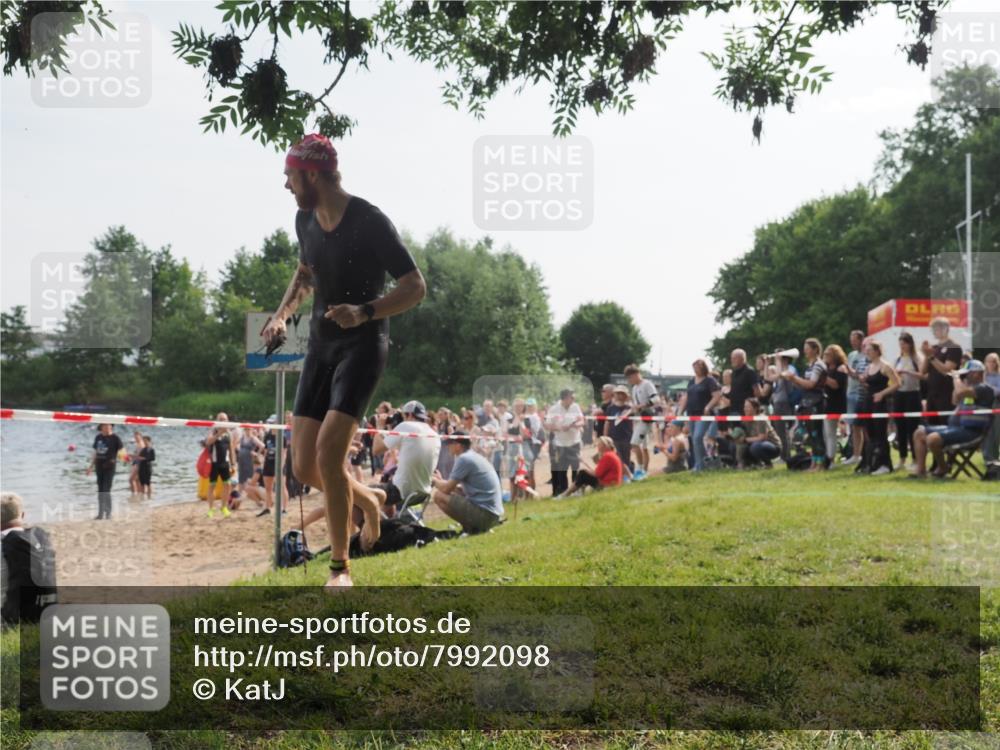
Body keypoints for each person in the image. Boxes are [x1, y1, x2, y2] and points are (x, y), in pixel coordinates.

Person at [261, 134, 426, 588]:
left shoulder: (370, 221)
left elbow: (415, 287)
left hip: (362, 346)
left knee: (330, 455)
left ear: (312, 174)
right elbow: (305, 273)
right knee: (303, 467)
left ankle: (339, 568)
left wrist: (366, 310)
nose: (287, 185)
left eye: (289, 176)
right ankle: (369, 503)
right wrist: (281, 317)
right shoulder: (304, 219)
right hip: (319, 348)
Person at [911, 359, 995, 478]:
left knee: (932, 439)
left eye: (966, 373)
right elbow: (955, 400)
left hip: (971, 432)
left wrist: (956, 377)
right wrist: (961, 382)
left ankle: (943, 467)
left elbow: (960, 392)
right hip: (956, 428)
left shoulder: (985, 389)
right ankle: (920, 471)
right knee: (919, 433)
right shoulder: (969, 388)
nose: (964, 376)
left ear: (977, 373)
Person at [372, 400, 440, 513]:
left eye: (403, 415)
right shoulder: (434, 434)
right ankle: (388, 527)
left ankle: (365, 530)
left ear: (409, 415)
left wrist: (379, 427)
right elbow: (403, 448)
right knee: (386, 502)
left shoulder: (406, 426)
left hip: (401, 492)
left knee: (361, 495)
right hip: (422, 493)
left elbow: (376, 450)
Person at [430, 431, 504, 534]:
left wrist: (433, 480)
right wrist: (441, 481)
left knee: (439, 496)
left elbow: (447, 489)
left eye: (450, 444)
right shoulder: (472, 456)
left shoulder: (463, 459)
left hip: (486, 515)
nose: (447, 447)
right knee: (451, 493)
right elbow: (456, 488)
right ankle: (475, 528)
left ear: (458, 446)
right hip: (493, 514)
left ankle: (471, 529)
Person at [1, 493, 57, 625]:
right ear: (22, 515)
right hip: (47, 614)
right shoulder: (41, 540)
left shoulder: (4, 544)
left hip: (12, 620)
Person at [781, 339, 827, 471]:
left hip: (816, 402)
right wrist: (793, 380)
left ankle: (820, 464)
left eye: (807, 348)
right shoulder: (810, 365)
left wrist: (794, 378)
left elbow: (811, 384)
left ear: (815, 349)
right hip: (807, 401)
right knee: (812, 436)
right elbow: (804, 385)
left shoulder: (818, 365)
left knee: (817, 434)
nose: (805, 351)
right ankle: (814, 463)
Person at [857, 340, 900, 475]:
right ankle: (873, 462)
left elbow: (897, 383)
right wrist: (863, 381)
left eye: (869, 350)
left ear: (876, 351)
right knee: (871, 434)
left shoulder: (885, 366)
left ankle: (885, 464)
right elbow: (869, 385)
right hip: (868, 403)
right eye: (866, 350)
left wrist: (882, 393)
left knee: (881, 433)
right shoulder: (869, 367)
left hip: (880, 404)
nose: (867, 352)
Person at [677, 358, 720, 471]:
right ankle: (704, 462)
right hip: (692, 414)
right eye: (694, 367)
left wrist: (708, 406)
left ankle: (700, 466)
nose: (696, 369)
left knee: (697, 438)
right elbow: (686, 397)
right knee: (694, 439)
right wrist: (680, 411)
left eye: (698, 367)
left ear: (703, 368)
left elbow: (717, 396)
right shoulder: (691, 381)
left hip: (704, 414)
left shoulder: (710, 381)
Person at [920, 317, 963, 425]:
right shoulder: (934, 348)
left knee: (946, 423)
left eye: (937, 328)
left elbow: (947, 370)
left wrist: (931, 357)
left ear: (946, 329)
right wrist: (926, 354)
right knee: (932, 425)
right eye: (933, 329)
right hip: (932, 394)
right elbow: (923, 371)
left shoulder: (954, 347)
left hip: (946, 393)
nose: (935, 331)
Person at [545, 389, 584, 496]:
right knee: (562, 469)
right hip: (560, 444)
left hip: (575, 442)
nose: (573, 399)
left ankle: (576, 490)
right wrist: (559, 427)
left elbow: (582, 420)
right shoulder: (553, 409)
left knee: (575, 467)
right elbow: (547, 425)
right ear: (566, 398)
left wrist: (576, 425)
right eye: (572, 397)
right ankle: (563, 491)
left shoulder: (575, 407)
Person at [893, 332, 924, 469]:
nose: (902, 346)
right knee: (900, 428)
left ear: (910, 343)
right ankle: (902, 458)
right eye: (900, 344)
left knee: (912, 428)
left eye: (904, 343)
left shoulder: (917, 358)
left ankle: (915, 459)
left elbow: (922, 375)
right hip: (900, 395)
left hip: (913, 394)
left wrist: (907, 372)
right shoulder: (898, 359)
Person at [624, 365, 660, 477]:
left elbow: (656, 399)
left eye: (629, 378)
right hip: (639, 419)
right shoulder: (634, 388)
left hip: (647, 418)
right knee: (644, 447)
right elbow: (636, 406)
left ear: (635, 375)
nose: (629, 381)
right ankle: (644, 471)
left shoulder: (647, 384)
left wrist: (642, 405)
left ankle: (639, 470)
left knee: (634, 444)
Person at [556, 437, 623, 496]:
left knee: (583, 473)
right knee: (584, 473)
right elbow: (597, 472)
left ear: (605, 446)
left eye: (599, 444)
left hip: (608, 485)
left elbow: (597, 474)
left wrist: (585, 468)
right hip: (612, 483)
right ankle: (575, 492)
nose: (597, 446)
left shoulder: (607, 456)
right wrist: (585, 463)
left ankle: (565, 494)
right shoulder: (611, 455)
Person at [86, 423, 122, 520]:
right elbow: (96, 453)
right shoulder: (98, 437)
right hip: (99, 466)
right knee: (100, 490)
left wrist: (121, 458)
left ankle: (108, 513)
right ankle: (100, 513)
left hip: (110, 467)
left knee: (106, 489)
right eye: (105, 425)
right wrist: (90, 467)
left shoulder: (115, 438)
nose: (108, 427)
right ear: (101, 427)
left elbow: (122, 451)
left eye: (109, 425)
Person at [205, 414, 237, 519]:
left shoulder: (229, 434)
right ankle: (211, 509)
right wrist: (219, 433)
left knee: (227, 485)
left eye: (225, 419)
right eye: (221, 419)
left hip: (225, 463)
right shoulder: (213, 431)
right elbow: (208, 442)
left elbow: (231, 450)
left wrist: (233, 464)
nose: (223, 421)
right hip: (214, 463)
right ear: (217, 420)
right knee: (211, 486)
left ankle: (224, 507)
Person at [844, 330, 869, 466]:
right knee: (854, 426)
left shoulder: (866, 356)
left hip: (860, 393)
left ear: (861, 340)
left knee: (863, 426)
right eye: (851, 340)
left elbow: (859, 374)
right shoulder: (851, 355)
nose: (852, 342)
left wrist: (849, 371)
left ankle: (865, 452)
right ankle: (856, 454)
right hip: (851, 392)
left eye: (854, 340)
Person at [821, 345, 849, 467]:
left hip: (836, 403)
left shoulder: (841, 368)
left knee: (831, 432)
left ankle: (831, 460)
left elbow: (836, 385)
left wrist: (823, 377)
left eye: (828, 354)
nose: (825, 356)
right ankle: (827, 456)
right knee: (826, 432)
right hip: (826, 403)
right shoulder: (826, 368)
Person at [734, 399, 781, 469]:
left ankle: (768, 464)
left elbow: (762, 437)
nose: (745, 409)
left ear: (755, 408)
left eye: (748, 407)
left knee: (755, 447)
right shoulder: (745, 420)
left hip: (773, 445)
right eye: (745, 407)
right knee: (734, 445)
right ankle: (749, 463)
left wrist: (744, 440)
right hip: (755, 443)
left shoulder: (761, 419)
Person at [603, 385, 635, 475]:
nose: (619, 395)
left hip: (626, 437)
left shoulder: (629, 409)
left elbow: (633, 424)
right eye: (618, 393)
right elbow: (607, 422)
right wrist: (605, 437)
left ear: (626, 396)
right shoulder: (610, 408)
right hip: (613, 437)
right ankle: (618, 477)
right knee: (616, 458)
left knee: (626, 459)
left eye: (622, 393)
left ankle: (626, 477)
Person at [727, 348, 762, 416]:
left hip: (745, 411)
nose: (732, 360)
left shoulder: (749, 372)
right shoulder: (734, 372)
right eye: (732, 358)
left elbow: (757, 391)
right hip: (733, 409)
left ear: (742, 359)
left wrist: (753, 407)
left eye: (734, 358)